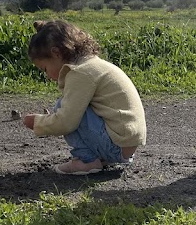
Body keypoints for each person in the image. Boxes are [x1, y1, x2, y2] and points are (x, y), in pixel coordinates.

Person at [22, 19, 147, 175]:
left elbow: (66, 122)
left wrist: (38, 123)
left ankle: (86, 161)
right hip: (126, 145)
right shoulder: (93, 65)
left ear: (56, 53)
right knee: (71, 106)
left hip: (116, 145)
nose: (47, 75)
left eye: (45, 68)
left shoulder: (80, 72)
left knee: (63, 107)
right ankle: (100, 157)